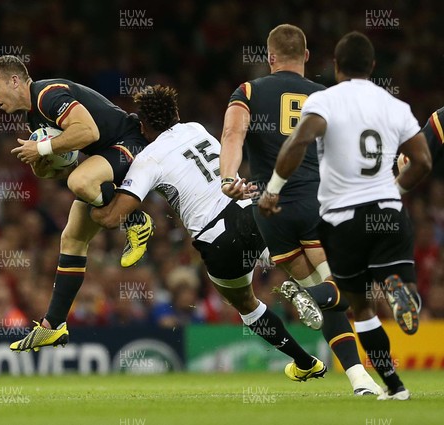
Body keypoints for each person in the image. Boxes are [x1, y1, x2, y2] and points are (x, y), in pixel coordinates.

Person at [91, 85, 326, 382]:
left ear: (143, 126)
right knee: (291, 259)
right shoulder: (196, 128)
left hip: (217, 239)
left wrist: (93, 205)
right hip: (249, 209)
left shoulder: (147, 159)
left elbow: (114, 218)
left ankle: (305, 362)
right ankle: (312, 291)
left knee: (246, 305)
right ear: (176, 113)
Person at [258, 31, 431, 400]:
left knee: (361, 307)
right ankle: (401, 321)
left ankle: (390, 380)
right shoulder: (395, 106)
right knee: (393, 285)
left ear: (336, 66)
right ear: (372, 66)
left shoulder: (325, 100)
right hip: (389, 214)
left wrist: (272, 189)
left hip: (343, 218)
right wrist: (395, 191)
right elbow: (423, 161)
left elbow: (298, 142)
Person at [219, 24, 380, 396]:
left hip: (269, 210)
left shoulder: (248, 90)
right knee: (344, 288)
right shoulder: (326, 97)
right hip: (316, 204)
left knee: (327, 291)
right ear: (306, 57)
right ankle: (315, 299)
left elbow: (232, 135)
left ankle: (360, 379)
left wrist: (228, 179)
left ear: (270, 58)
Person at [0, 56, 153, 351]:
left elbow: (89, 132)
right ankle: (54, 325)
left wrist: (42, 148)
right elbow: (60, 164)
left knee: (79, 182)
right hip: (107, 154)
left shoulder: (48, 95)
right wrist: (42, 162)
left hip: (129, 143)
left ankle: (134, 219)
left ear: (14, 81)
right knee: (72, 238)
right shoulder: (33, 117)